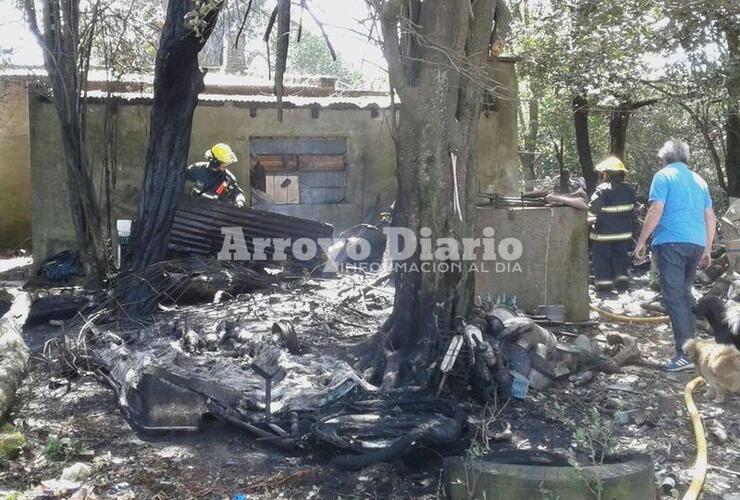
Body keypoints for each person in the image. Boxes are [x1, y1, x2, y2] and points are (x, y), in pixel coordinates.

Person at [634, 140, 717, 372]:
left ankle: (684, 354)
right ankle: (694, 352)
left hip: (672, 242)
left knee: (674, 298)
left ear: (665, 158)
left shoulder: (663, 176)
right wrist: (708, 248)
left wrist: (642, 241)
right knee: (684, 294)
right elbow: (711, 218)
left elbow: (656, 210)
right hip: (696, 243)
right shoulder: (699, 180)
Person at [588, 157, 636, 293]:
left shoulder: (602, 189)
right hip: (624, 235)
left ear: (606, 173)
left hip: (603, 236)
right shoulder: (630, 190)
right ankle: (622, 286)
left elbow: (591, 212)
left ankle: (604, 288)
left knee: (602, 260)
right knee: (621, 259)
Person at [186, 143, 247, 207]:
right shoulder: (197, 169)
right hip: (194, 208)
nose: (225, 166)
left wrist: (240, 201)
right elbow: (179, 178)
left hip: (215, 213)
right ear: (215, 162)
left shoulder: (227, 179)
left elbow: (237, 193)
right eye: (224, 163)